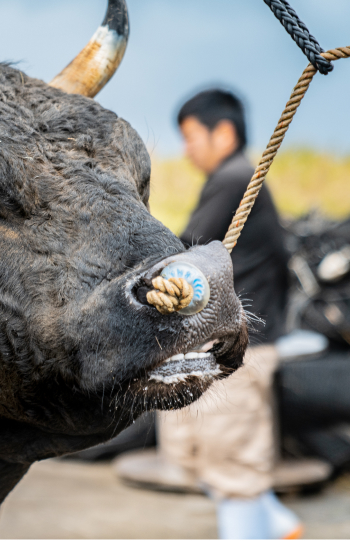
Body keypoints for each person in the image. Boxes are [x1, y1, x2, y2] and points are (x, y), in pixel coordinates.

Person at [157, 89, 301, 539]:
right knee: (212, 452)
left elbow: (186, 248)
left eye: (191, 137)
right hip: (246, 341)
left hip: (239, 349)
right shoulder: (241, 178)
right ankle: (279, 524)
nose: (187, 150)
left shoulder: (235, 178)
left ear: (223, 132)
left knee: (230, 459)